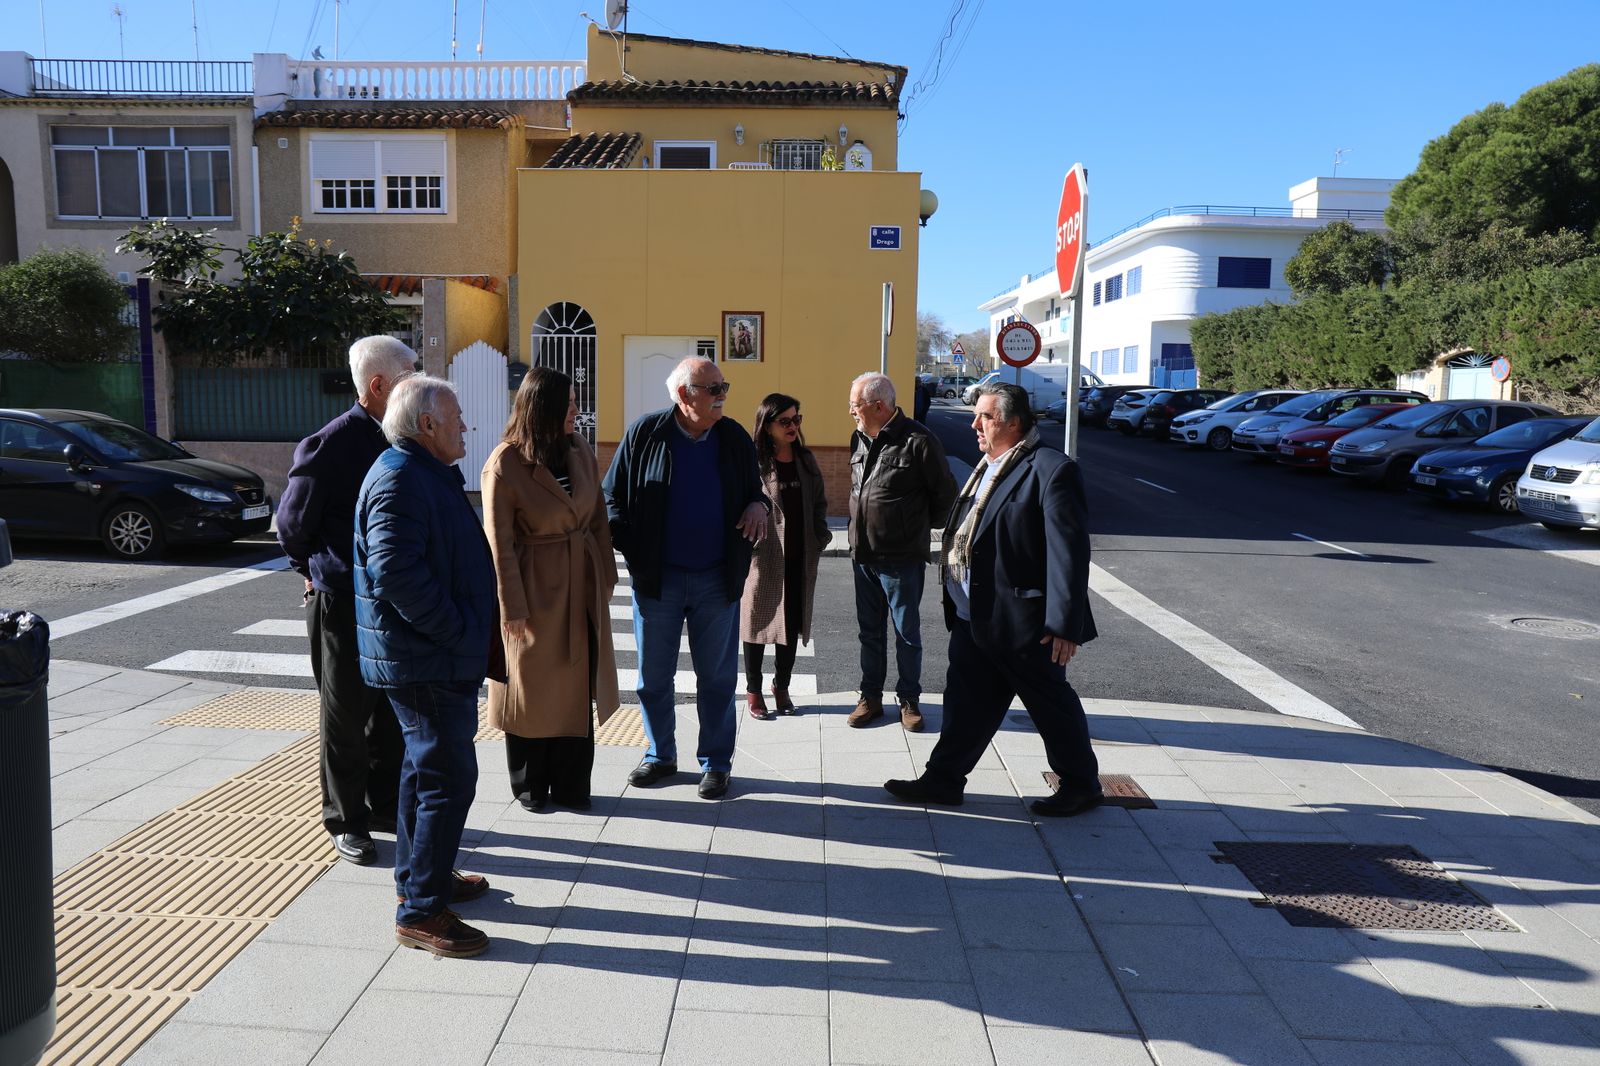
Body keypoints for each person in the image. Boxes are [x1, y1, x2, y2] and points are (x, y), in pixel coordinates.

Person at [884, 382, 1102, 817]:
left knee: (1051, 706)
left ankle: (1081, 785)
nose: (974, 424)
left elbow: (1069, 555)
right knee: (966, 704)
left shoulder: (1050, 469)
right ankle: (943, 780)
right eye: (977, 415)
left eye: (985, 416)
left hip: (1025, 621)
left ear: (1014, 422)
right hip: (976, 616)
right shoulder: (989, 466)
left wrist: (1065, 624)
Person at [355, 374, 498, 958]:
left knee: (422, 774)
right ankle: (420, 912)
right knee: (447, 779)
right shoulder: (401, 479)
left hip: (430, 656)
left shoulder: (419, 472)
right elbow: (395, 574)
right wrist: (457, 630)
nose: (465, 424)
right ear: (428, 425)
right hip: (427, 659)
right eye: (457, 415)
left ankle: (422, 882)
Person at [602, 357, 768, 800]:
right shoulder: (646, 433)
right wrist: (632, 547)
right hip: (658, 580)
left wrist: (758, 505)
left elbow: (755, 490)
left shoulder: (733, 437)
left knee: (716, 679)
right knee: (653, 678)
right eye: (712, 388)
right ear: (683, 394)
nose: (722, 395)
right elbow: (610, 497)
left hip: (717, 578)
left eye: (723, 386)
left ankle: (715, 763)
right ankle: (660, 755)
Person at [277, 335, 413, 866]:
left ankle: (384, 806)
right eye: (409, 374)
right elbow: (292, 525)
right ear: (378, 385)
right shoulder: (332, 443)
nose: (417, 382)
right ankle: (346, 819)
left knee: (387, 710)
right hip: (342, 601)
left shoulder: (401, 437)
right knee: (345, 713)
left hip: (391, 600)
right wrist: (312, 571)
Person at [482, 367, 619, 812]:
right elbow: (498, 543)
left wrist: (606, 575)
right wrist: (512, 608)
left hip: (580, 579)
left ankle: (572, 784)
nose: (576, 411)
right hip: (534, 585)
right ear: (543, 407)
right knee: (532, 685)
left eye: (577, 402)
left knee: (577, 681)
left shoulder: (578, 449)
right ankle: (530, 785)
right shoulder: (505, 461)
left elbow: (596, 515)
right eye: (569, 403)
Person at [846, 371, 955, 731]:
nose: (851, 412)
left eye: (855, 405)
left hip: (902, 558)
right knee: (869, 632)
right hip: (863, 555)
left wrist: (916, 531)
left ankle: (909, 699)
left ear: (878, 406)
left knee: (906, 633)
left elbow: (944, 495)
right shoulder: (859, 437)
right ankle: (871, 697)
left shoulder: (919, 441)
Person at [741, 393, 829, 719]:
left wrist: (820, 536)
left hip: (800, 555)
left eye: (797, 419)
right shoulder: (754, 462)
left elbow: (819, 503)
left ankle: (782, 686)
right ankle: (753, 690)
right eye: (785, 421)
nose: (793, 426)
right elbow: (738, 503)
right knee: (756, 621)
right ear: (767, 425)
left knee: (790, 624)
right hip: (763, 556)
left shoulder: (805, 459)